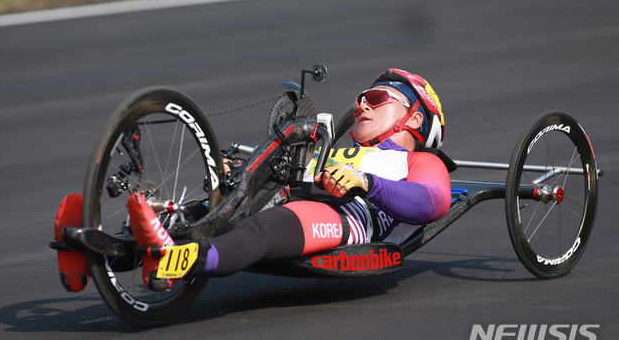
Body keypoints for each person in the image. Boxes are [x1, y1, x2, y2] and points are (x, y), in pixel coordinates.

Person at [130, 68, 452, 291]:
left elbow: (433, 201)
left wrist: (366, 182)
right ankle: (98, 252)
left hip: (347, 216)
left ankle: (174, 263)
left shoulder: (418, 160)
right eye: (360, 99)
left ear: (416, 118)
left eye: (377, 98)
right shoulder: (337, 149)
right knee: (210, 211)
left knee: (261, 228)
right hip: (295, 192)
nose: (362, 104)